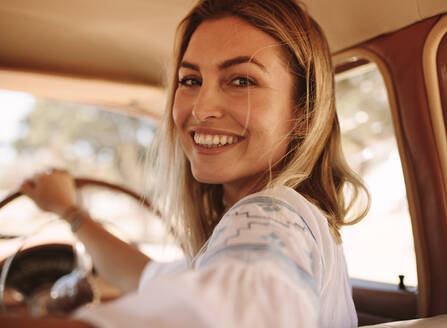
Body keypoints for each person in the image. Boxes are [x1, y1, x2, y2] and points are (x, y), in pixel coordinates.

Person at [7, 0, 370, 327]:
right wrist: (71, 212)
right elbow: (148, 277)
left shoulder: (272, 215)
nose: (200, 108)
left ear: (303, 112)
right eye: (191, 80)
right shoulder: (286, 225)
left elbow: (230, 311)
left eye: (241, 80)